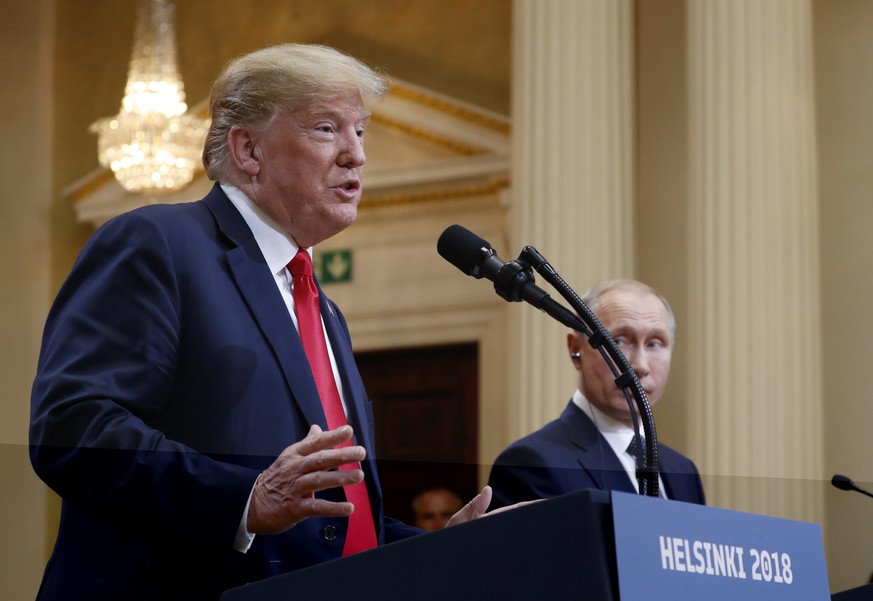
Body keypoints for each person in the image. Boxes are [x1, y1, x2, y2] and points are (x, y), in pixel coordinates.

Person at [29, 43, 493, 601]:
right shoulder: (157, 244)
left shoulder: (323, 310)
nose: (355, 155)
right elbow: (73, 428)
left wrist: (440, 550)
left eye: (360, 132)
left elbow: (330, 523)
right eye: (327, 129)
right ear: (248, 150)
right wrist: (243, 500)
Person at [488, 278, 705, 509]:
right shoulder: (532, 465)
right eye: (619, 341)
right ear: (575, 349)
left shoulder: (683, 471)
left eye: (654, 344)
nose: (640, 365)